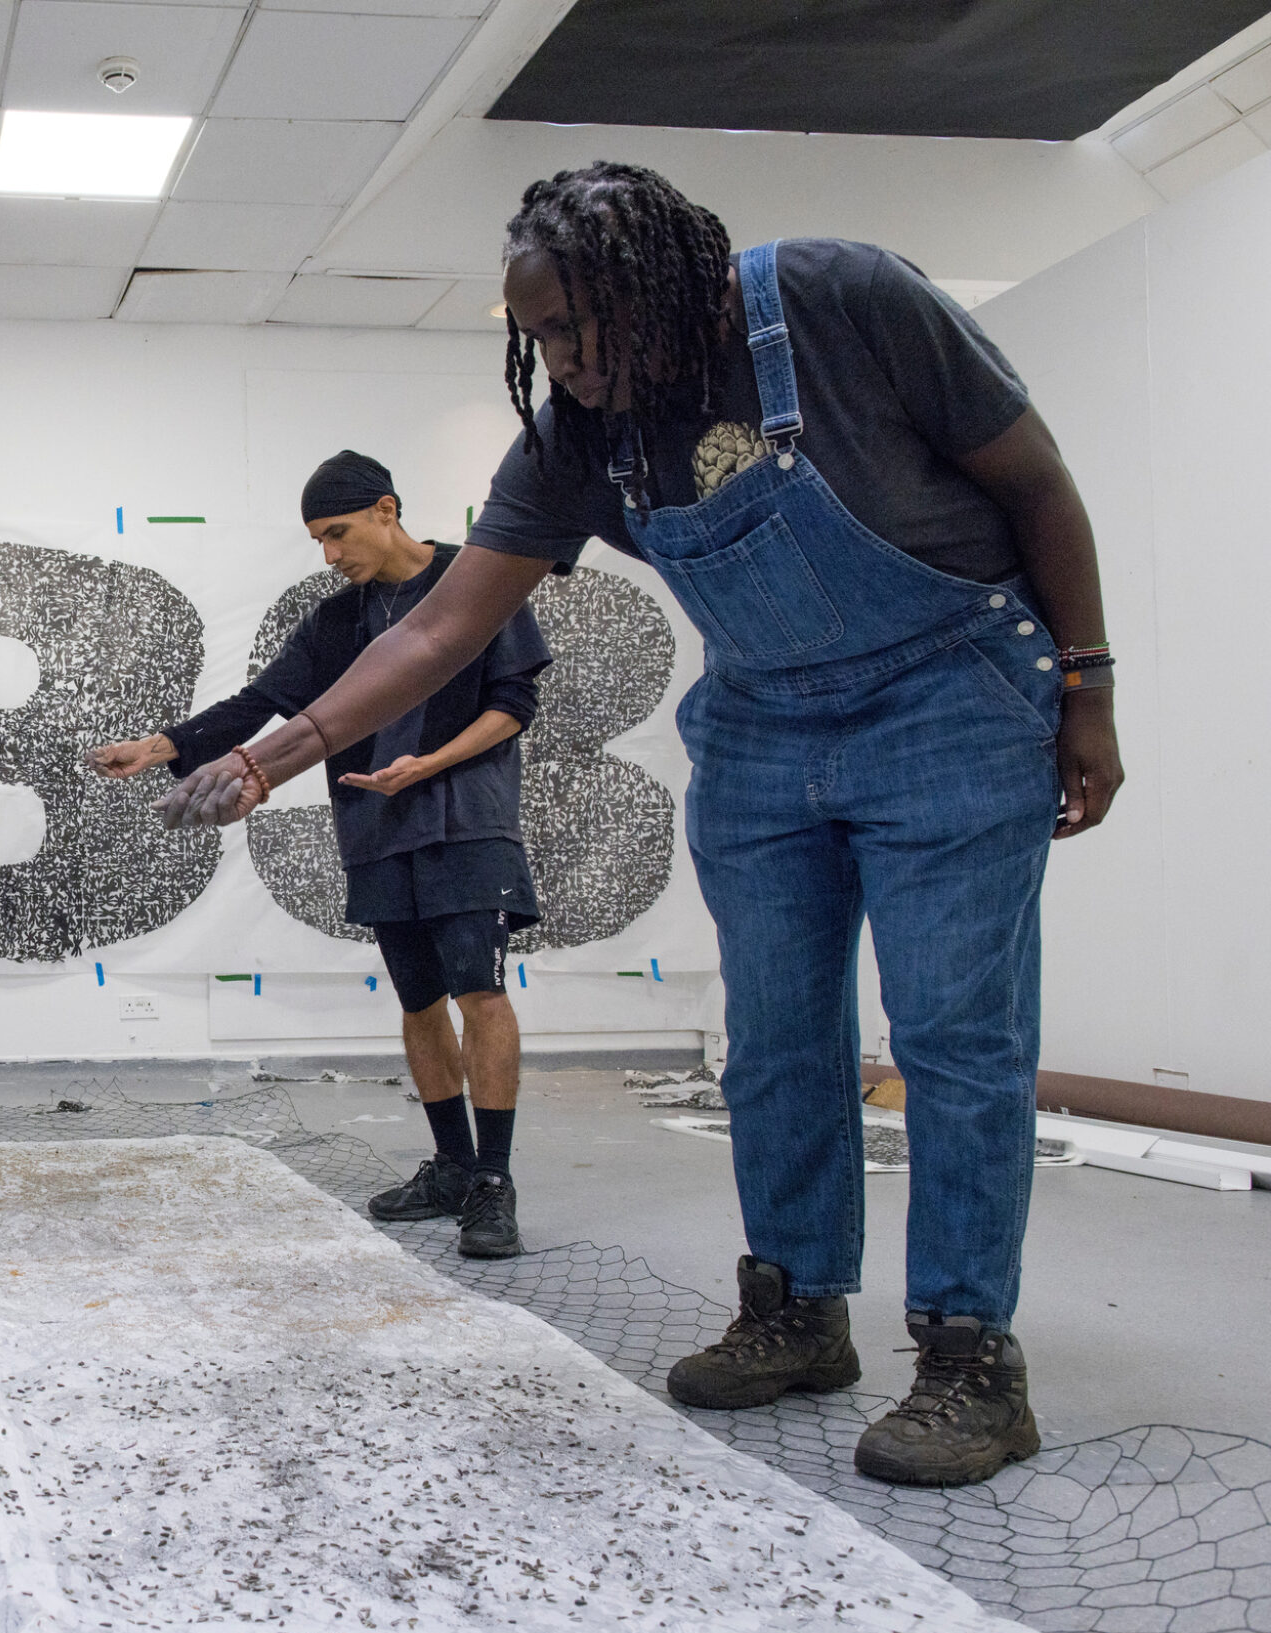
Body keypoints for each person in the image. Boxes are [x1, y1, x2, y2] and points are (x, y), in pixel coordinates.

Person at [152, 163, 1123, 1489]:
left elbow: (1041, 486)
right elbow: (445, 622)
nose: (553, 359)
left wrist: (1087, 686)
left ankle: (967, 1354)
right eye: (533, 335)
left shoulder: (840, 300)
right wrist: (280, 753)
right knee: (775, 1034)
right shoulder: (576, 434)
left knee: (956, 1033)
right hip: (768, 726)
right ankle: (793, 1307)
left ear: (667, 287)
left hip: (951, 701)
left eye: (567, 327)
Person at [89, 452, 550, 1258]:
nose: (330, 555)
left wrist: (432, 763)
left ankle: (493, 1180)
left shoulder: (475, 583)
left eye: (337, 533)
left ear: (386, 508)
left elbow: (516, 703)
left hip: (465, 820)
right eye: (317, 541)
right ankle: (450, 1164)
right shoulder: (337, 621)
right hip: (374, 829)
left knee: (479, 990)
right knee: (416, 1000)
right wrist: (163, 745)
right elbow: (264, 700)